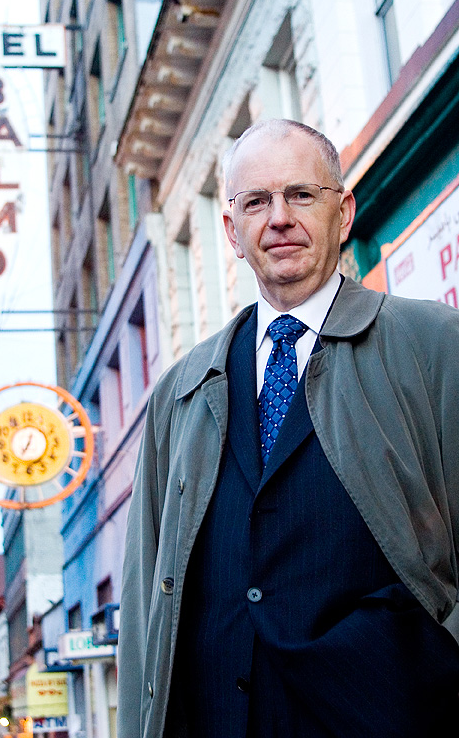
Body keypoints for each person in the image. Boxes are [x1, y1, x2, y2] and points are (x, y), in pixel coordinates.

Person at [117, 119, 459, 738]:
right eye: (255, 201)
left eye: (301, 195)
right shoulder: (181, 392)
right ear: (232, 231)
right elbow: (147, 602)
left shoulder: (433, 344)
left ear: (344, 211)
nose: (278, 218)